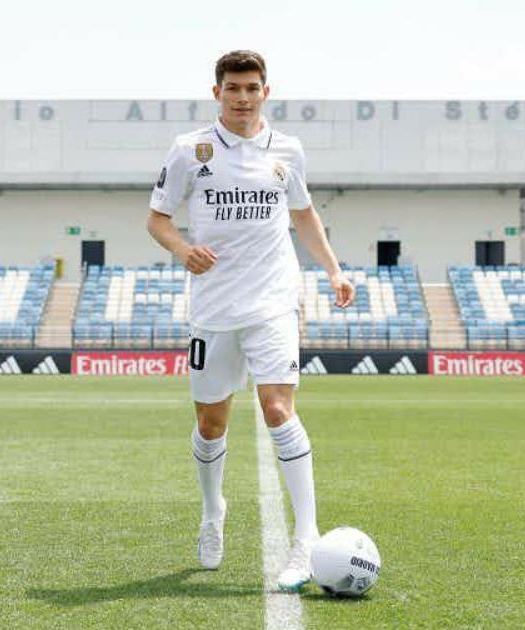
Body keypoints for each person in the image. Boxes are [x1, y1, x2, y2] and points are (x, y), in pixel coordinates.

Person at [146, 50, 355, 592]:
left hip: (274, 301)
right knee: (212, 424)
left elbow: (303, 214)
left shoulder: (288, 151)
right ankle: (213, 511)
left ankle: (306, 540)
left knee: (278, 407)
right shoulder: (190, 151)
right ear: (217, 92)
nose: (243, 97)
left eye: (252, 88)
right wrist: (182, 249)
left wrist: (332, 270)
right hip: (213, 307)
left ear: (266, 92)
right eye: (233, 88)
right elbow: (157, 219)